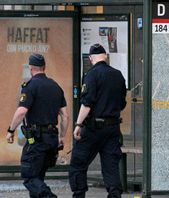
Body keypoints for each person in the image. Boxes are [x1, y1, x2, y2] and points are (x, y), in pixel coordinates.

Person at [6, 53, 69, 197]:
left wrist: (10, 130)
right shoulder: (55, 87)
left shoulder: (30, 86)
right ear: (44, 67)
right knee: (38, 177)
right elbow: (65, 116)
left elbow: (21, 112)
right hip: (52, 139)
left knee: (29, 176)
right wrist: (62, 136)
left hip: (37, 140)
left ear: (30, 68)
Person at [69, 44, 127, 198]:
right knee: (111, 166)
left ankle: (79, 194)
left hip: (93, 129)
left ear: (90, 58)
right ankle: (114, 195)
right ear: (106, 56)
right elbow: (122, 104)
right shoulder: (118, 75)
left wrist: (78, 124)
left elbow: (87, 104)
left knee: (78, 163)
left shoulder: (91, 75)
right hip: (112, 128)